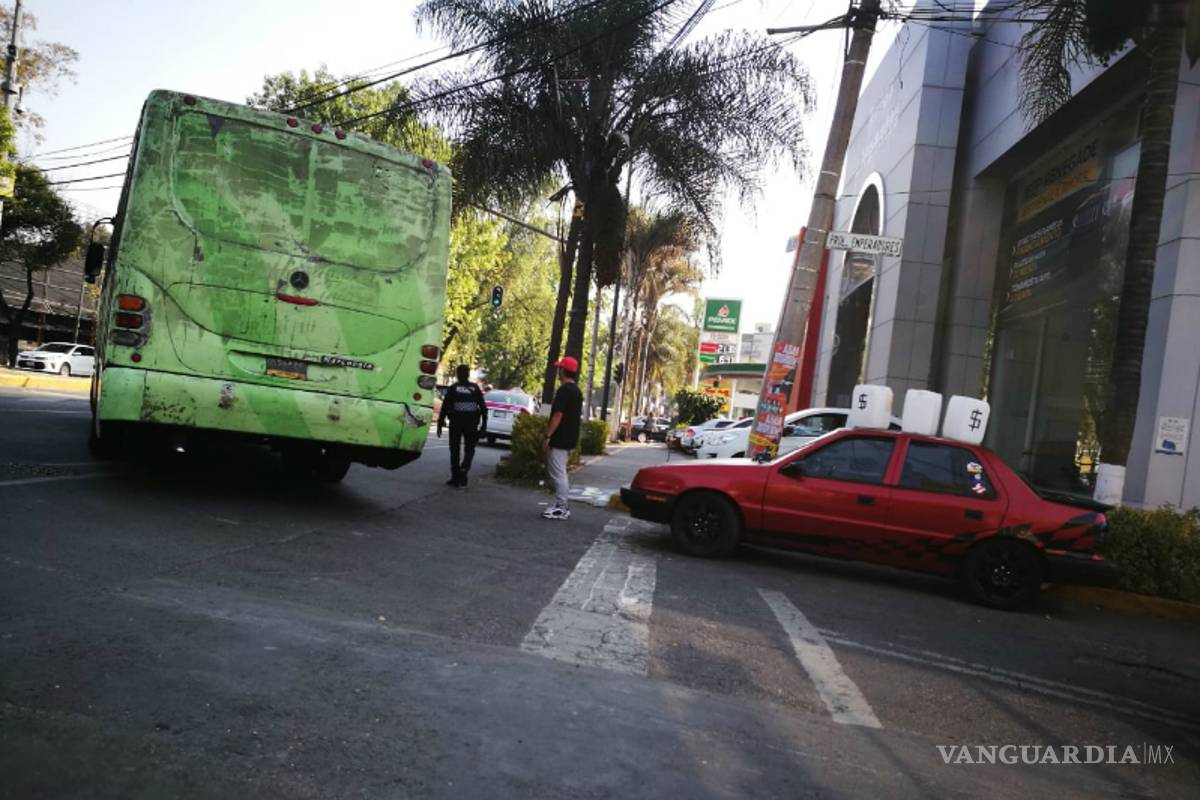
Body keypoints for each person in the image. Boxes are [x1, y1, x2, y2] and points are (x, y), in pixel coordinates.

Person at [542, 356, 583, 520]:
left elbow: (558, 414)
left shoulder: (564, 390)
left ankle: (561, 507)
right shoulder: (577, 391)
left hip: (560, 437)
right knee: (560, 471)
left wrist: (548, 435)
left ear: (563, 371)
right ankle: (561, 505)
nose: (558, 371)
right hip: (570, 436)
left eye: (560, 368)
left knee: (558, 473)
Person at [437, 364, 487, 488]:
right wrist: (483, 426)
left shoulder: (453, 388)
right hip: (471, 424)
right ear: (468, 374)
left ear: (458, 375)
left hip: (456, 423)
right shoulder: (475, 388)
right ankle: (464, 469)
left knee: (454, 450)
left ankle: (455, 477)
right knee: (470, 449)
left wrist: (440, 423)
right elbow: (483, 408)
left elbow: (445, 407)